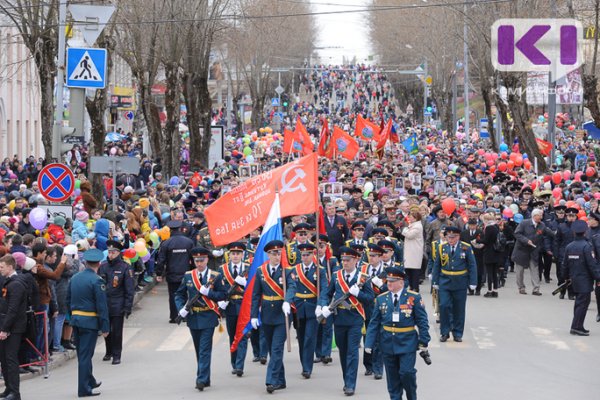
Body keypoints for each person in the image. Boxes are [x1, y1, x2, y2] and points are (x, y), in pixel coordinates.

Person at [365, 267, 430, 400]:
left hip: (407, 343)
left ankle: (412, 396)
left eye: (393, 281)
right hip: (388, 343)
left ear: (401, 282)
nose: (389, 283)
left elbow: (422, 321)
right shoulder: (381, 299)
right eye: (388, 280)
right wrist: (369, 343)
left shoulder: (414, 297)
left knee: (407, 373)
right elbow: (374, 323)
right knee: (392, 379)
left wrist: (424, 341)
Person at [319, 246, 374, 396]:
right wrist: (323, 305)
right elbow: (327, 293)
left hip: (355, 318)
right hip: (339, 318)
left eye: (348, 260)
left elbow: (370, 300)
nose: (345, 262)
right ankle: (346, 380)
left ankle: (351, 384)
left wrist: (359, 294)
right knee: (343, 351)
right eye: (343, 260)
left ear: (356, 260)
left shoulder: (363, 278)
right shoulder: (337, 276)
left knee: (352, 351)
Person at [175, 247, 226, 391]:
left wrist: (208, 292)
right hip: (193, 317)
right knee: (198, 349)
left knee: (204, 349)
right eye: (196, 261)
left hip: (208, 316)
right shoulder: (188, 276)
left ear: (207, 260)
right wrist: (181, 308)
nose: (199, 263)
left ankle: (201, 379)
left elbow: (222, 295)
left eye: (202, 260)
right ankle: (206, 377)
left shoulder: (215, 276)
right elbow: (179, 294)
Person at [250, 240, 297, 394]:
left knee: (276, 349)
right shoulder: (260, 271)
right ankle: (281, 380)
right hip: (267, 315)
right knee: (271, 349)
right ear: (268, 255)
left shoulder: (287, 271)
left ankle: (271, 380)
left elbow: (292, 287)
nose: (276, 256)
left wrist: (287, 301)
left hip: (281, 316)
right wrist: (253, 316)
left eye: (278, 253)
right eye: (273, 253)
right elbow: (256, 295)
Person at [66, 248, 110, 398]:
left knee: (82, 354)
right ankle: (84, 389)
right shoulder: (97, 281)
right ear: (99, 263)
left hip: (76, 321)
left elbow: (67, 300)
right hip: (90, 322)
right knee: (85, 356)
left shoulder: (75, 278)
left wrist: (71, 317)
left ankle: (89, 380)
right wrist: (105, 327)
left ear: (85, 262)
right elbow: (102, 306)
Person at [431, 226, 477, 342]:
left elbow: (472, 265)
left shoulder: (465, 248)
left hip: (460, 281)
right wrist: (435, 281)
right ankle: (445, 332)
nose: (450, 240)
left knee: (459, 308)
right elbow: (437, 265)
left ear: (458, 237)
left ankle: (457, 333)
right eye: (448, 237)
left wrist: (473, 282)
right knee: (444, 306)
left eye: (453, 237)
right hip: (445, 281)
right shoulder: (442, 247)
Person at [292, 243, 327, 379]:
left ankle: (307, 368)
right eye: (303, 255)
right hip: (299, 308)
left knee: (309, 338)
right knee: (301, 338)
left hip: (313, 307)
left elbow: (324, 289)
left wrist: (321, 304)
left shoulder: (320, 270)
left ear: (313, 255)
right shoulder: (294, 270)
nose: (305, 257)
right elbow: (291, 287)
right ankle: (304, 363)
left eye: (308, 255)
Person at [98, 240, 135, 365]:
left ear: (118, 253)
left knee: (117, 331)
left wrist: (128, 306)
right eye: (109, 252)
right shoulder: (103, 266)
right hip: (105, 303)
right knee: (106, 329)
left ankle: (116, 354)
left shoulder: (125, 267)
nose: (110, 254)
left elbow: (129, 289)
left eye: (113, 252)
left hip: (118, 302)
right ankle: (108, 351)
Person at [218, 242, 251, 376]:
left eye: (238, 253)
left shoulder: (249, 268)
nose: (235, 256)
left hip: (244, 305)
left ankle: (239, 365)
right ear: (229, 255)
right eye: (233, 253)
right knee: (233, 335)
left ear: (242, 255)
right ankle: (234, 362)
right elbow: (220, 287)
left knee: (242, 335)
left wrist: (246, 284)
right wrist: (221, 301)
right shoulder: (222, 269)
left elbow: (255, 285)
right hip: (230, 305)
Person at [563, 220, 600, 336]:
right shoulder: (587, 246)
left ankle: (579, 326)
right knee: (582, 304)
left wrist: (565, 278)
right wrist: (598, 277)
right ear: (585, 232)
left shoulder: (569, 246)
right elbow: (592, 265)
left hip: (574, 279)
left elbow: (565, 264)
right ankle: (575, 327)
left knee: (579, 303)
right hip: (585, 280)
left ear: (574, 232)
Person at [0, 254, 28, 400]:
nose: (0, 269)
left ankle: (15, 392)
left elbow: (13, 309)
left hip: (14, 327)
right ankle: (8, 388)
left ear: (10, 267)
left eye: (2, 267)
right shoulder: (8, 281)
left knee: (11, 359)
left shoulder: (16, 284)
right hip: (7, 325)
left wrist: (5, 329)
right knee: (4, 359)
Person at [155, 220, 195, 323]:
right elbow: (194, 258)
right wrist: (194, 271)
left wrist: (159, 273)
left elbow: (161, 261)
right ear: (181, 229)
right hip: (186, 273)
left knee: (173, 295)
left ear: (170, 231)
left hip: (172, 274)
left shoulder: (166, 243)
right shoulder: (188, 242)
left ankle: (174, 316)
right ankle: (185, 315)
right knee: (185, 294)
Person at [512, 209, 553, 296]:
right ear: (534, 216)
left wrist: (557, 233)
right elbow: (517, 233)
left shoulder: (542, 225)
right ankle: (521, 288)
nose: (541, 217)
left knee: (535, 270)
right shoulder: (524, 223)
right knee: (520, 271)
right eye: (540, 216)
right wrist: (526, 240)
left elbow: (548, 232)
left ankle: (536, 289)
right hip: (521, 251)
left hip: (533, 251)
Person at [313, 234, 338, 365]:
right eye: (317, 246)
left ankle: (326, 353)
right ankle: (318, 353)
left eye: (322, 246)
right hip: (314, 297)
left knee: (327, 326)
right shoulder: (311, 261)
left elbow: (335, 277)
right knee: (317, 326)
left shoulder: (332, 261)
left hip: (328, 296)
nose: (319, 249)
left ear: (326, 247)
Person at [401, 206, 424, 292]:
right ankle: (411, 286)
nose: (409, 218)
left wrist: (404, 229)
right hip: (410, 252)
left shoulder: (417, 226)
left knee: (414, 271)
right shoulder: (412, 225)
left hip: (414, 252)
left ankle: (415, 288)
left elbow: (410, 235)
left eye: (410, 216)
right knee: (409, 271)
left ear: (415, 218)